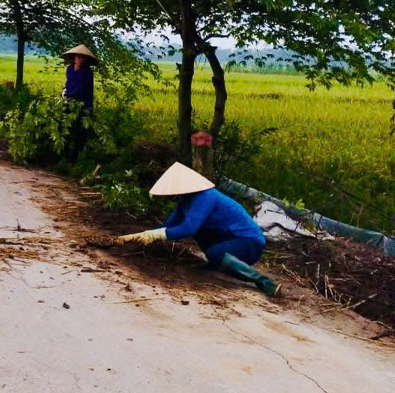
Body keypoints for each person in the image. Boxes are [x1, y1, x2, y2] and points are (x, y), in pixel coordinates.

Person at [118, 162, 280, 296]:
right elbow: (170, 226)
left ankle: (262, 281)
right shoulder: (185, 202)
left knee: (212, 251)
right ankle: (215, 263)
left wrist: (158, 234)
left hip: (249, 244)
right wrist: (143, 237)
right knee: (201, 234)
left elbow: (187, 228)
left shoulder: (205, 196)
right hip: (228, 238)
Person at [61, 44, 96, 162]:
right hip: (70, 102)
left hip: (83, 103)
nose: (80, 59)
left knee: (79, 131)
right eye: (78, 57)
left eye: (83, 57)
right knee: (66, 128)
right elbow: (69, 83)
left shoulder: (87, 72)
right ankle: (64, 156)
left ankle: (75, 157)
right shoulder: (70, 69)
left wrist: (69, 96)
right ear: (74, 57)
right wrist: (65, 92)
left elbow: (81, 89)